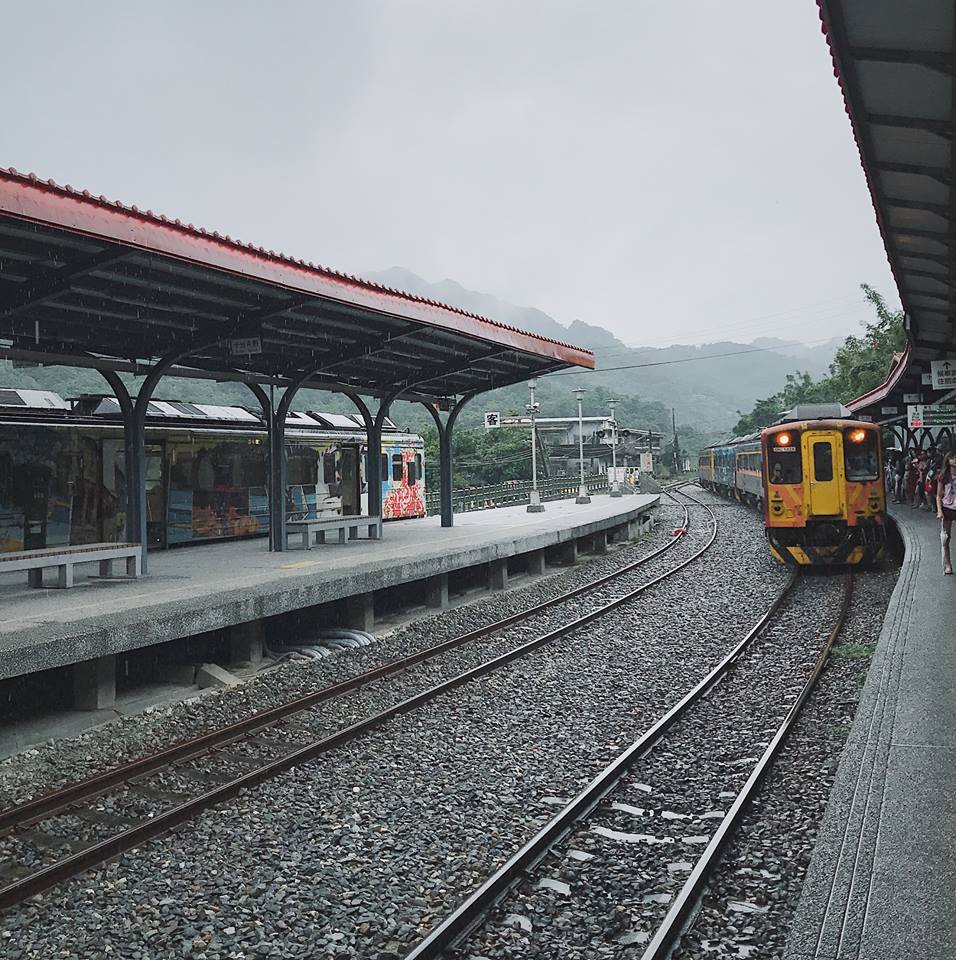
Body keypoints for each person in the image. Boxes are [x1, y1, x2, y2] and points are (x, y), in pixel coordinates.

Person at [936, 450, 956, 575]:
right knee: (946, 538)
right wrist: (939, 511)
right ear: (948, 461)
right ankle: (947, 564)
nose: (955, 460)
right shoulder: (943, 476)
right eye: (953, 458)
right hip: (947, 508)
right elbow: (938, 495)